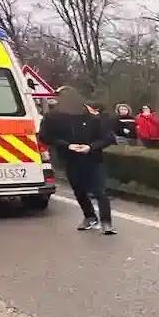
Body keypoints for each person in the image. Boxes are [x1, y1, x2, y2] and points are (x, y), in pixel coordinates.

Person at [37, 86, 117, 234]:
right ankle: (90, 217)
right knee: (79, 190)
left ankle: (107, 222)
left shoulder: (92, 115)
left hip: (93, 158)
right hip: (70, 159)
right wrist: (67, 146)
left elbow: (108, 137)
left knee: (100, 191)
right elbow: (44, 136)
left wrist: (91, 147)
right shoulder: (53, 117)